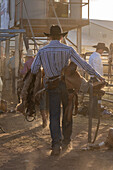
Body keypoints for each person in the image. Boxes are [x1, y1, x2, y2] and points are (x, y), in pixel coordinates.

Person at [31, 25, 105, 156]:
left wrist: (47, 70)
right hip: (67, 85)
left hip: (51, 86)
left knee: (54, 115)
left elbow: (34, 69)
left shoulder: (42, 51)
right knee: (67, 113)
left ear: (49, 37)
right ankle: (66, 141)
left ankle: (56, 145)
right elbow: (83, 64)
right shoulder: (68, 49)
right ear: (61, 36)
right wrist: (98, 76)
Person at [89, 43, 109, 117]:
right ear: (100, 49)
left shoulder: (92, 56)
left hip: (93, 78)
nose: (103, 51)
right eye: (103, 50)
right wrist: (101, 80)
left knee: (95, 95)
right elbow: (97, 70)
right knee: (97, 95)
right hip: (96, 79)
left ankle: (94, 111)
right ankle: (95, 112)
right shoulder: (97, 58)